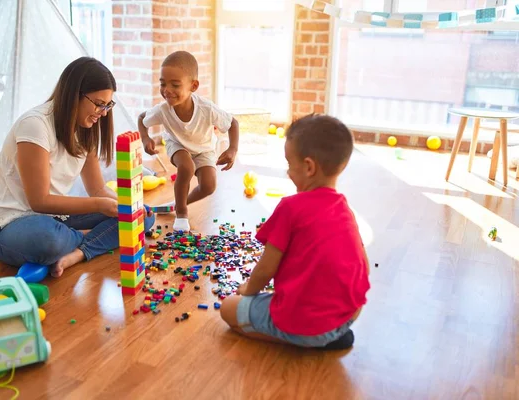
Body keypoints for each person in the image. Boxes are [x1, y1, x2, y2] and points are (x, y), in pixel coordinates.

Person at [0, 57, 155, 278]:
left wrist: (127, 205)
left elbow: (98, 190)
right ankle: (86, 236)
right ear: (74, 94)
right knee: (50, 240)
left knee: (143, 216)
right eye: (98, 103)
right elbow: (40, 201)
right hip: (12, 225)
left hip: (57, 218)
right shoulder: (35, 125)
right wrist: (100, 206)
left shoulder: (87, 129)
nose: (103, 112)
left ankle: (78, 253)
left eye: (107, 105)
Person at [219, 114, 371, 350]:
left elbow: (266, 268)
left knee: (229, 309)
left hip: (307, 323)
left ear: (309, 167)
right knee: (317, 312)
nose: (288, 172)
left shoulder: (290, 207)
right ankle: (329, 335)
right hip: (348, 315)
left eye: (290, 164)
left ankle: (304, 340)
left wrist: (249, 289)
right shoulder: (344, 208)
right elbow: (362, 263)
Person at [138, 50, 239, 232]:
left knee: (209, 185)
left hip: (204, 149)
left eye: (175, 85)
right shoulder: (163, 109)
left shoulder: (207, 109)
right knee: (186, 167)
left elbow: (233, 123)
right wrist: (145, 138)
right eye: (163, 84)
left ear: (193, 86)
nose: (167, 90)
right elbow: (142, 118)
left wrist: (232, 149)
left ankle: (179, 203)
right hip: (176, 144)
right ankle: (182, 213)